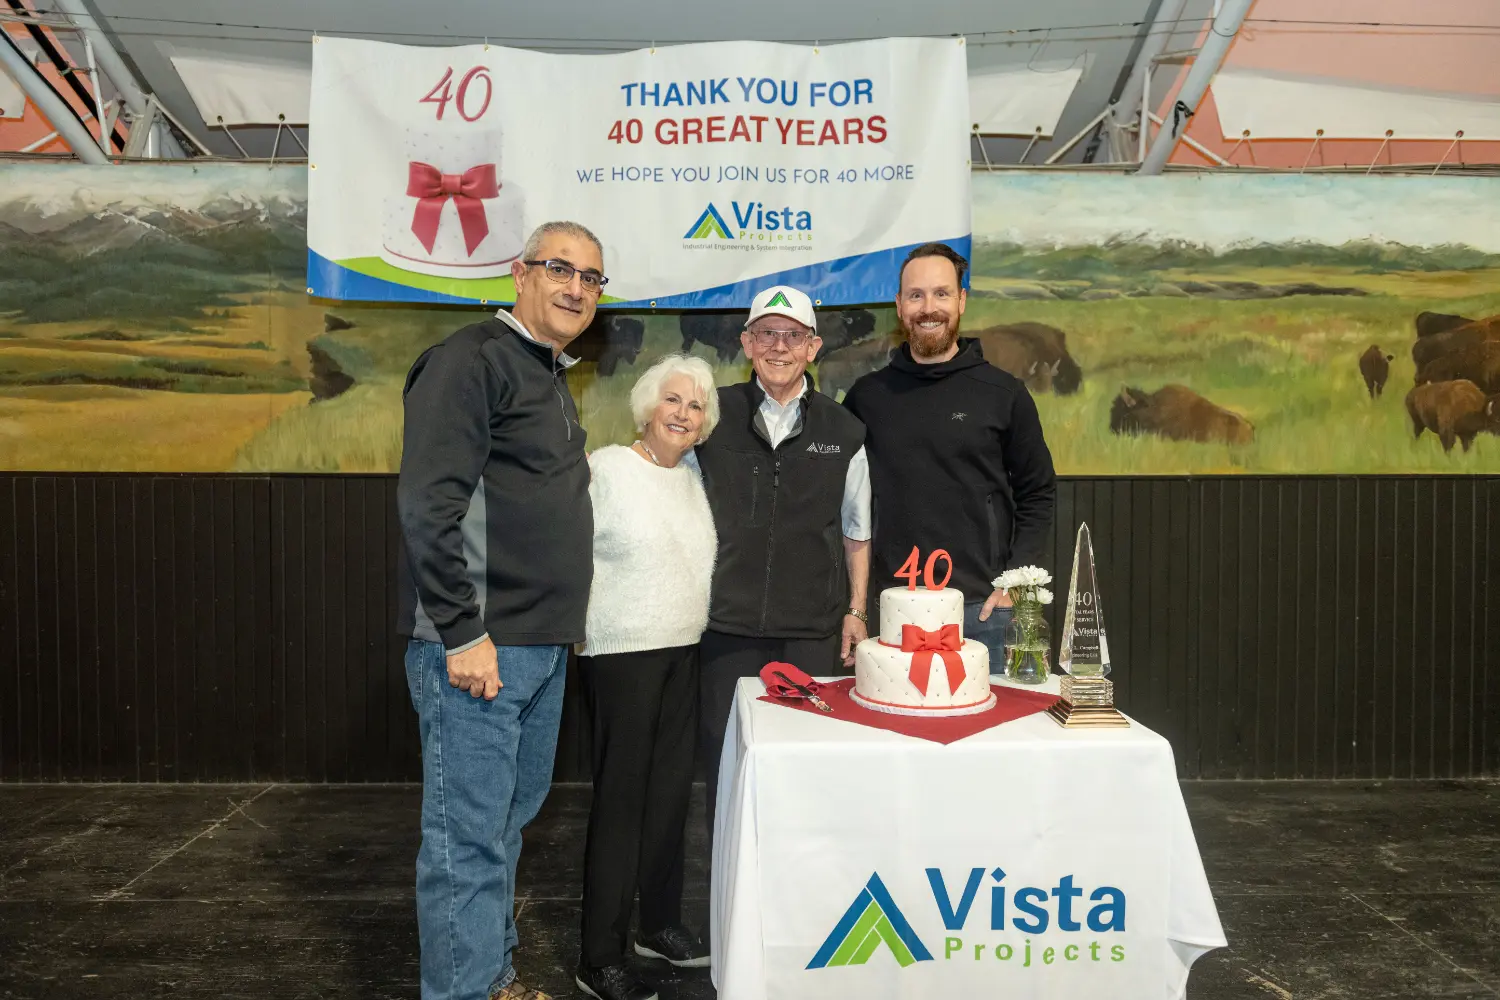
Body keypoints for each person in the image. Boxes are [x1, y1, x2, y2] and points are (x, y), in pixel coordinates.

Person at [396, 221, 607, 1000]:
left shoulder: (545, 373)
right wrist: (462, 631)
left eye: (591, 277)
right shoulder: (469, 361)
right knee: (466, 842)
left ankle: (492, 979)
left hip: (540, 646)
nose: (576, 288)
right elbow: (427, 506)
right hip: (482, 646)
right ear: (519, 273)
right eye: (560, 269)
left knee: (500, 832)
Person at [687, 285, 871, 835]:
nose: (779, 346)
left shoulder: (845, 430)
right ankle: (728, 909)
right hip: (724, 628)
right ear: (747, 342)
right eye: (767, 333)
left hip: (810, 631)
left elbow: (856, 532)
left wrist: (856, 611)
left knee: (803, 766)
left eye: (793, 335)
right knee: (726, 767)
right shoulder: (712, 416)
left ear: (813, 347)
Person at [574, 354, 720, 1000]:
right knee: (621, 805)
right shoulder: (607, 469)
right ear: (646, 407)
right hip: (620, 655)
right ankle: (598, 954)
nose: (683, 413)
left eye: (695, 405)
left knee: (668, 799)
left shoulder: (691, 476)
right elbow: (568, 549)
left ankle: (657, 924)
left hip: (684, 649)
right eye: (673, 400)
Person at [842, 243, 1056, 660]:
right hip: (891, 611)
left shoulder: (1004, 394)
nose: (928, 307)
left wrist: (1015, 582)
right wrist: (857, 604)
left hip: (985, 613)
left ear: (961, 301)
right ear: (899, 306)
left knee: (992, 728)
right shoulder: (867, 398)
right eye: (916, 295)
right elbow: (846, 504)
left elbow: (1038, 493)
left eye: (941, 293)